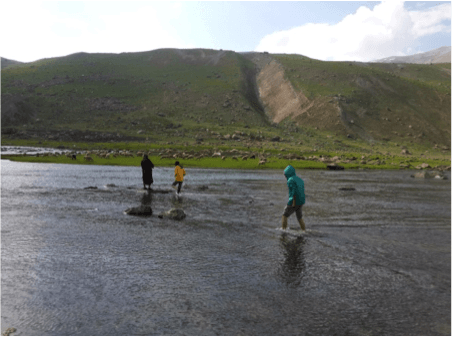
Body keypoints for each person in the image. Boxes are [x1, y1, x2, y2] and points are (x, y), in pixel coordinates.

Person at [282, 165, 306, 231]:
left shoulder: (290, 180)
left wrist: (292, 202)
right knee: (299, 217)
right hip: (301, 201)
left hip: (294, 201)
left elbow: (293, 191)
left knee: (284, 215)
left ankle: (283, 231)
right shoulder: (300, 179)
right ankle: (304, 231)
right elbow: (301, 191)